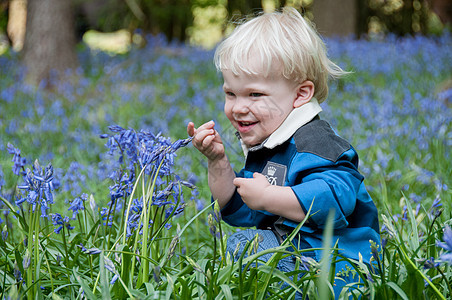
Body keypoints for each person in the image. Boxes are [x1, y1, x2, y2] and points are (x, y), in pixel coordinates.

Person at [187, 7, 380, 298]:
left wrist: (268, 197)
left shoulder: (315, 143)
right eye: (231, 93)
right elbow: (237, 209)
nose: (238, 107)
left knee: (249, 251)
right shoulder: (271, 144)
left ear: (301, 94)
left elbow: (336, 199)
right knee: (241, 247)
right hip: (297, 255)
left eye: (255, 94)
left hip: (340, 267)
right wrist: (217, 162)